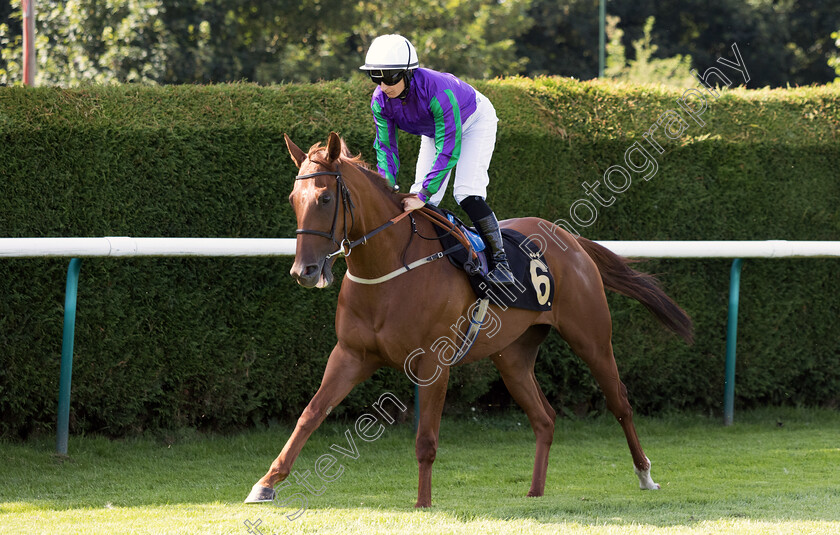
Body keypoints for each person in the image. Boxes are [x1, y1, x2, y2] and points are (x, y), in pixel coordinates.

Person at [359, 34, 515, 285]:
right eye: (375, 77)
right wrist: (385, 189)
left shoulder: (438, 92)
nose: (383, 85)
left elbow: (448, 151)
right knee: (424, 199)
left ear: (408, 73)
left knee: (466, 193)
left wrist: (422, 195)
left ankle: (501, 263)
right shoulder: (380, 101)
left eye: (389, 77)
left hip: (474, 121)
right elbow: (386, 148)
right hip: (436, 130)